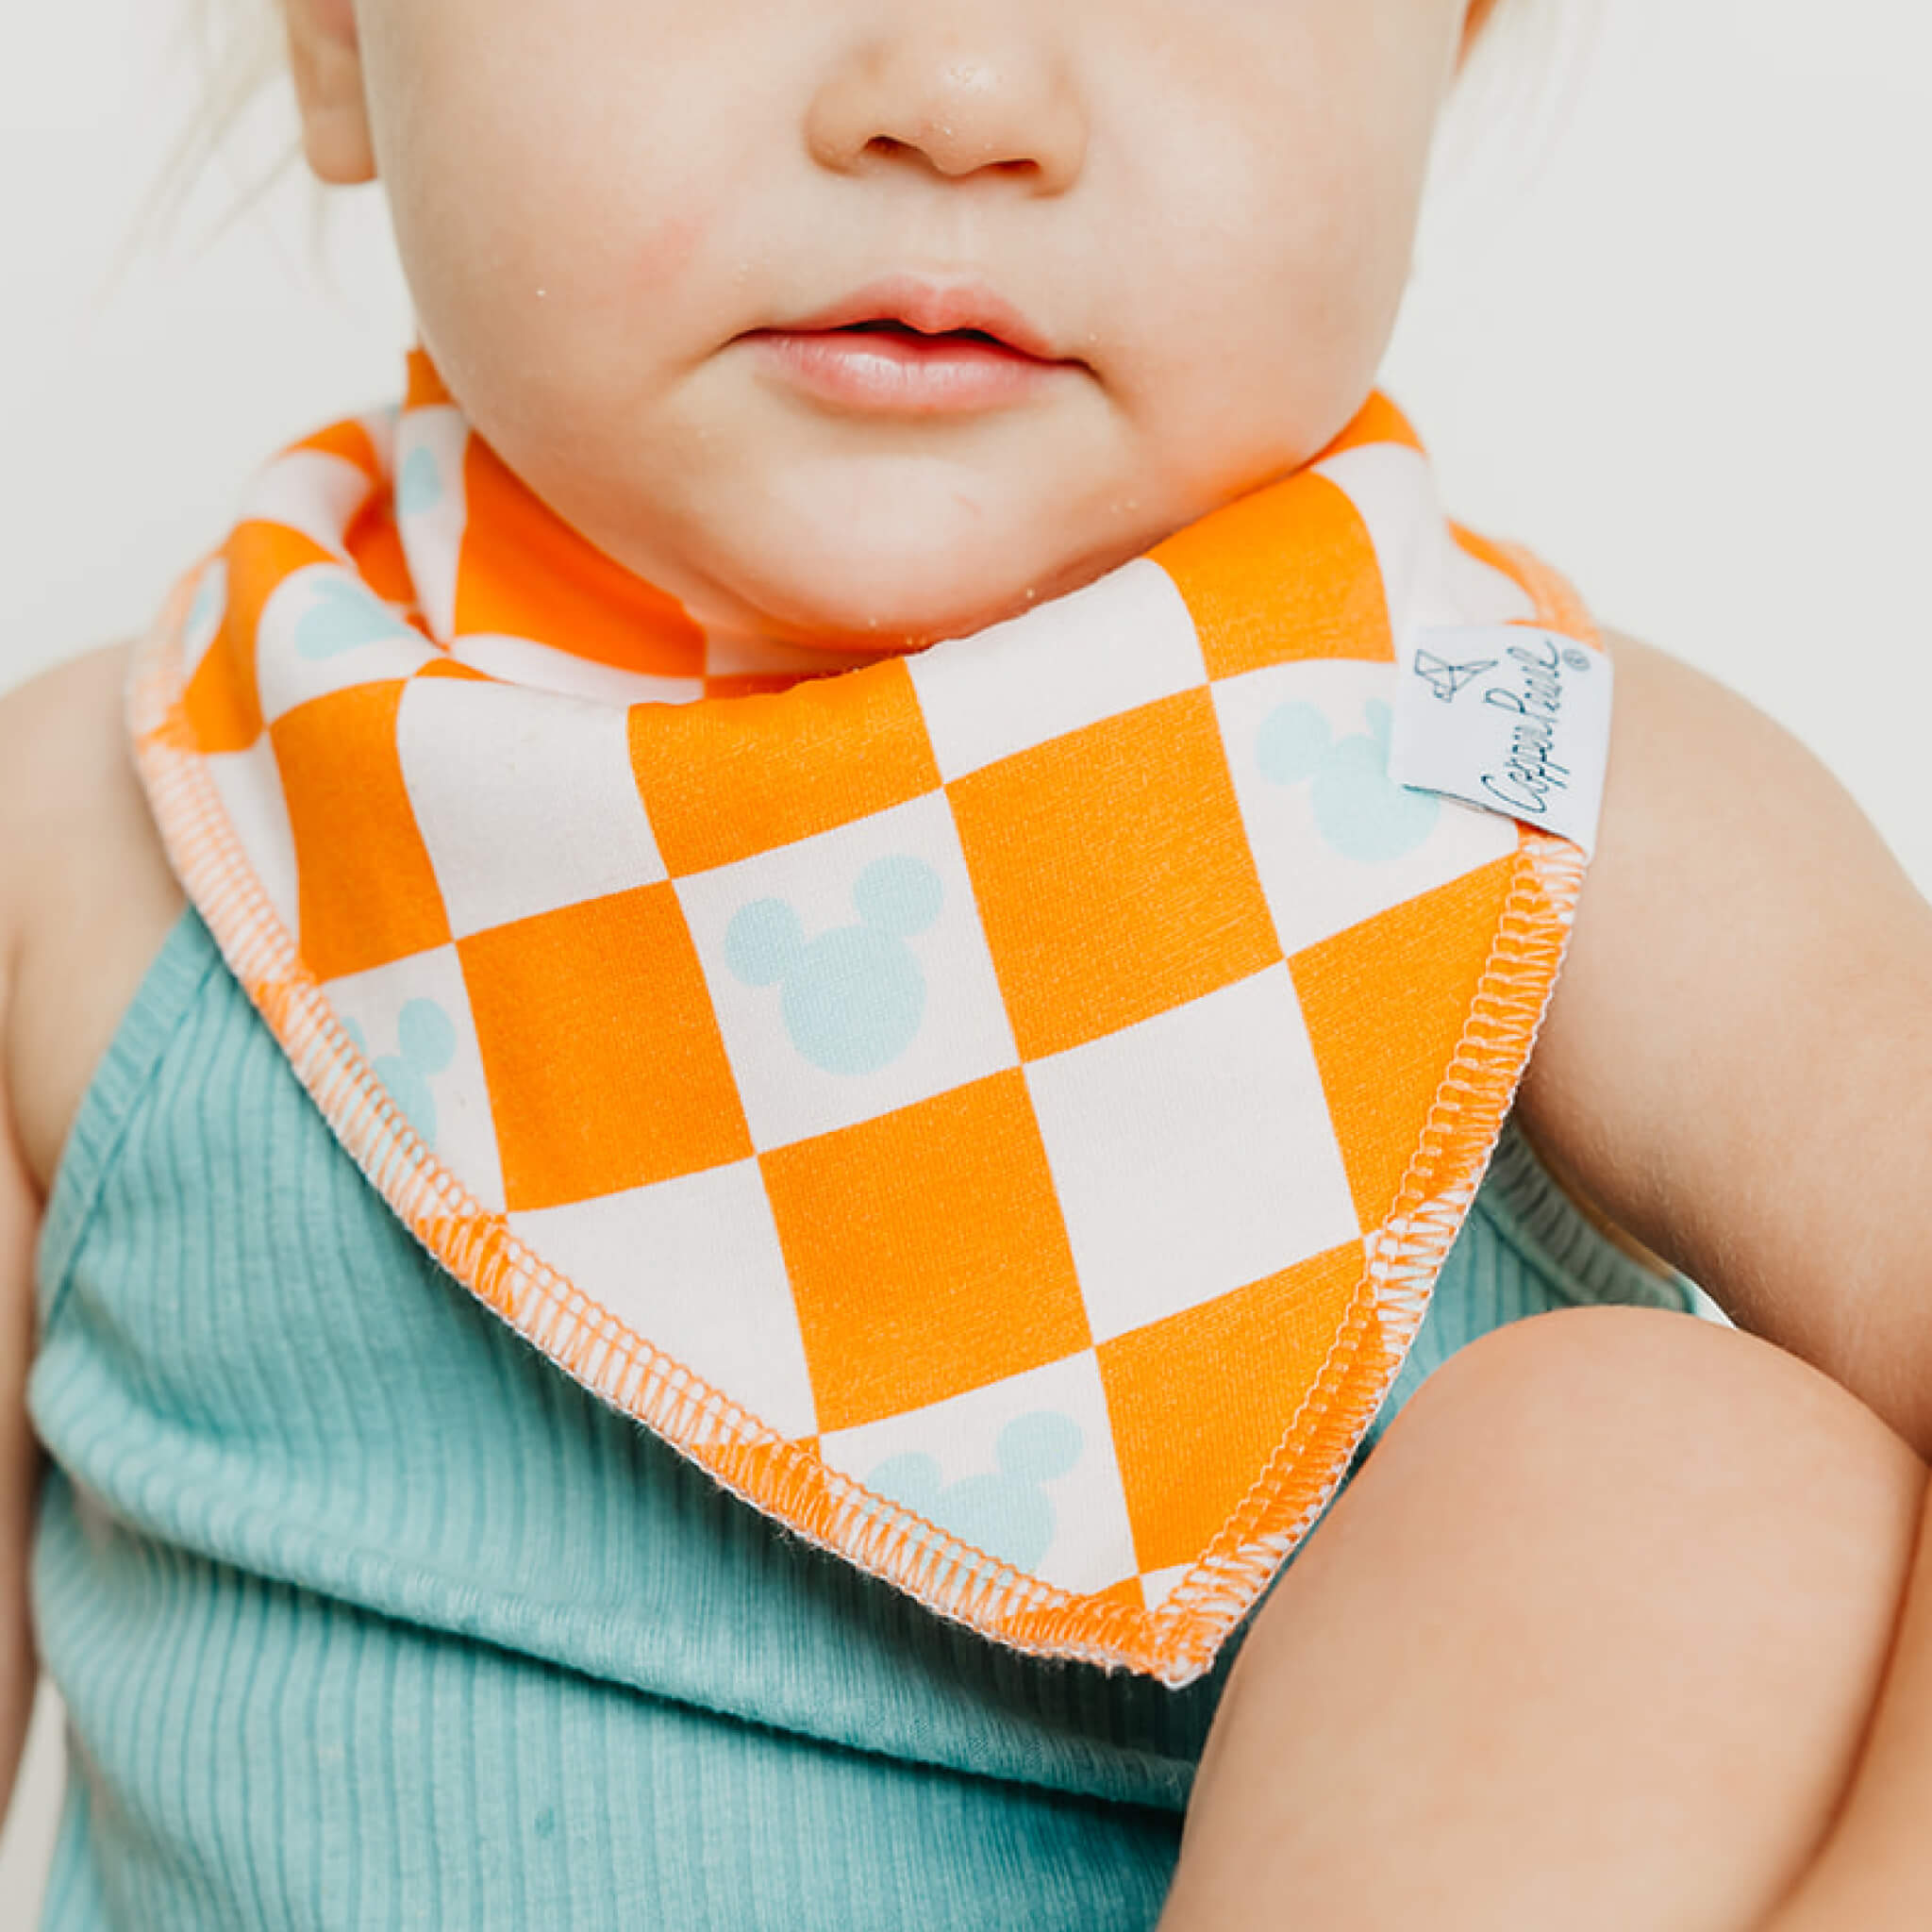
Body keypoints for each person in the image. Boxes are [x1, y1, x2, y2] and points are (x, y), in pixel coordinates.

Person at [2, 0, 1928, 1924]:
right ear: (341, 39)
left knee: (1679, 1474)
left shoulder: (1536, 805)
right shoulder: (108, 844)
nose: (957, 94)